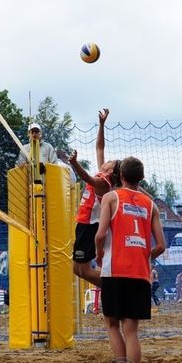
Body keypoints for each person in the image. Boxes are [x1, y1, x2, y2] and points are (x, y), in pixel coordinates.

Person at [95, 156, 166, 363]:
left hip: (114, 271)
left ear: (121, 176)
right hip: (139, 274)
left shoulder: (111, 197)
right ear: (141, 178)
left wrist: (98, 254)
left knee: (112, 325)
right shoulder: (151, 205)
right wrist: (145, 257)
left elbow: (100, 234)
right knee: (131, 330)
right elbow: (161, 246)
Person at [69, 108, 121, 287]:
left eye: (110, 162)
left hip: (89, 226)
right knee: (77, 269)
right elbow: (100, 147)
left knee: (84, 271)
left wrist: (75, 164)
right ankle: (112, 286)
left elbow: (86, 178)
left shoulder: (103, 183)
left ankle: (115, 287)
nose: (107, 161)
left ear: (111, 170)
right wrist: (101, 124)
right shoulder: (103, 174)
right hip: (84, 224)